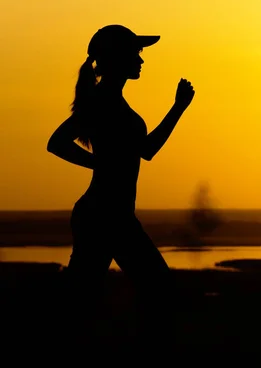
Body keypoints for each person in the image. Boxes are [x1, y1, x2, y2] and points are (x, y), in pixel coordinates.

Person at [47, 24, 194, 347]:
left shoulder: (115, 104)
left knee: (86, 299)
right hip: (104, 216)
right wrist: (100, 164)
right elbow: (56, 142)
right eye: (136, 53)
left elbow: (147, 151)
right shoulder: (101, 103)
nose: (141, 60)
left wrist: (178, 107)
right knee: (151, 288)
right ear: (118, 58)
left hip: (112, 215)